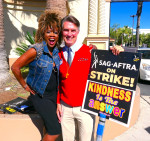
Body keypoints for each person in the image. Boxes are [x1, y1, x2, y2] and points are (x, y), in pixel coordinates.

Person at [56, 15, 124, 141]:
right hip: (65, 108)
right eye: (66, 30)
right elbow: (58, 81)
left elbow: (112, 67)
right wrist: (58, 103)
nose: (69, 34)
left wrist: (118, 52)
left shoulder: (90, 52)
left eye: (73, 30)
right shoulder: (58, 53)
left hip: (85, 108)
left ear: (78, 32)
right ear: (62, 31)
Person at [11, 10, 61, 141]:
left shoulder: (57, 51)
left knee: (50, 126)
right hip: (40, 97)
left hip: (55, 97)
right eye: (48, 31)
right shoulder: (36, 50)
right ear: (43, 32)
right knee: (55, 130)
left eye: (55, 32)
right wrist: (24, 85)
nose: (52, 35)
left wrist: (91, 47)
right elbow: (15, 67)